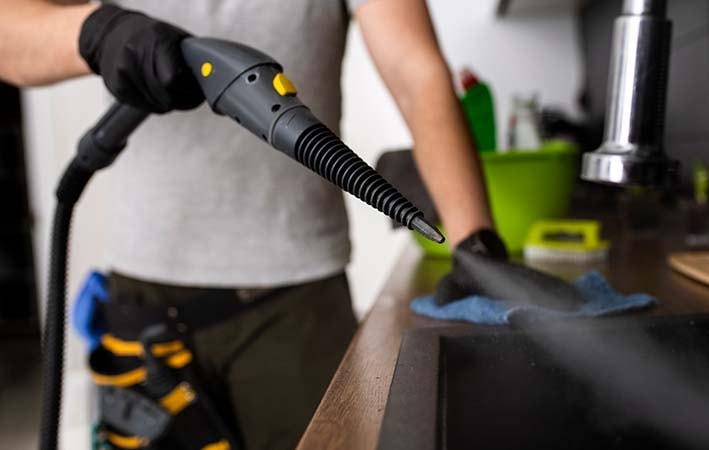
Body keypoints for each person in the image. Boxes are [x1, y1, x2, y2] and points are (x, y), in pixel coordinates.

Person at [0, 1, 498, 449]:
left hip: (298, 308)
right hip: (145, 305)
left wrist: (472, 241)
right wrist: (95, 32)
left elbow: (418, 74)